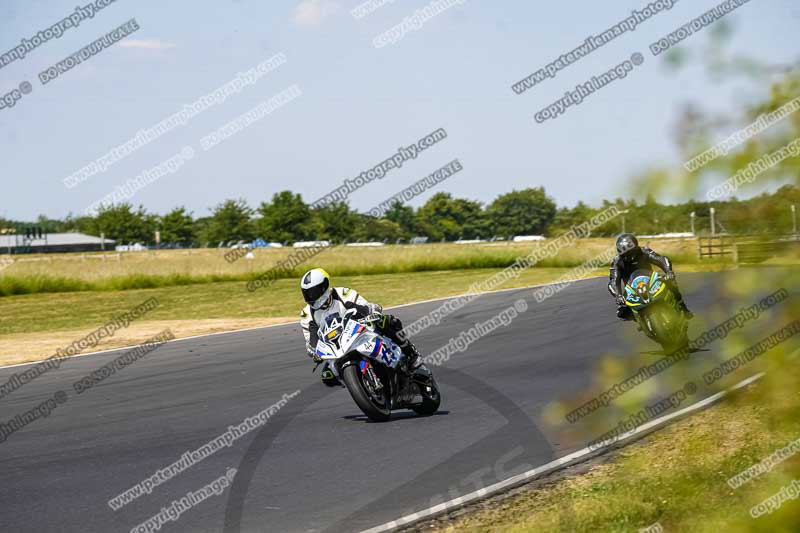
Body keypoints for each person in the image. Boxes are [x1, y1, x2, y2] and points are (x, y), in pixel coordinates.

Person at [299, 268, 423, 386]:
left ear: (324, 287)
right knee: (327, 376)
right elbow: (311, 341)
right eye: (307, 294)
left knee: (389, 321)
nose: (311, 297)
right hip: (336, 348)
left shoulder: (343, 294)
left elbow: (365, 307)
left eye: (313, 293)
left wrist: (372, 312)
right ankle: (358, 383)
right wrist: (314, 352)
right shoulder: (307, 315)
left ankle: (410, 353)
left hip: (359, 332)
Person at [608, 233, 693, 321]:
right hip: (632, 289)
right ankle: (640, 319)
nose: (627, 256)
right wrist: (618, 295)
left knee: (671, 283)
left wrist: (669, 272)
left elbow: (661, 259)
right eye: (624, 254)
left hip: (651, 280)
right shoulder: (616, 262)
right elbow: (613, 281)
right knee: (622, 312)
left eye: (630, 252)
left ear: (636, 248)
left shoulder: (644, 251)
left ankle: (682, 307)